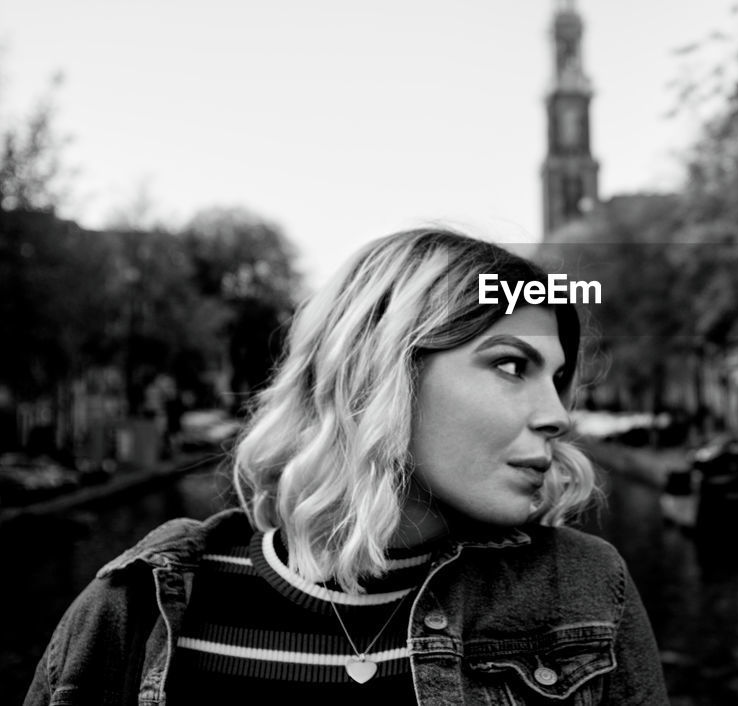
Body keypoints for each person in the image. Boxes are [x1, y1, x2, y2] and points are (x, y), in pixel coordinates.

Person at [26, 227, 669, 706]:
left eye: (558, 379)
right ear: (381, 370)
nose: (558, 414)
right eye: (510, 364)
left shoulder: (584, 594)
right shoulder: (137, 607)